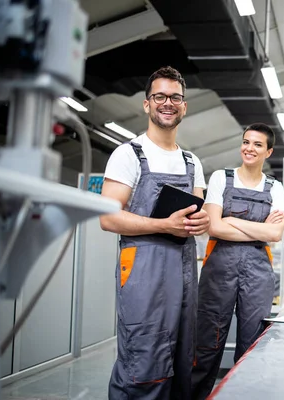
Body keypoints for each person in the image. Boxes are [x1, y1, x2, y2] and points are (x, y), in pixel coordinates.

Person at [99, 66, 210, 400]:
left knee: (181, 361)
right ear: (147, 104)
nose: (168, 103)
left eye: (176, 97)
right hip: (143, 271)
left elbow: (198, 214)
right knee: (143, 363)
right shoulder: (128, 154)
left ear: (184, 106)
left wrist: (201, 223)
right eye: (160, 96)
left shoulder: (193, 162)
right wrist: (164, 225)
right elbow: (107, 217)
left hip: (184, 271)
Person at [191, 123, 284, 400]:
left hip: (257, 272)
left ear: (268, 151)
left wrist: (231, 219)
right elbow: (215, 228)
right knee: (207, 344)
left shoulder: (275, 187)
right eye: (246, 142)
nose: (249, 148)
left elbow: (275, 233)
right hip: (219, 268)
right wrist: (255, 228)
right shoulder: (222, 177)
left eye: (257, 144)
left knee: (252, 345)